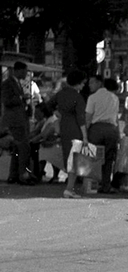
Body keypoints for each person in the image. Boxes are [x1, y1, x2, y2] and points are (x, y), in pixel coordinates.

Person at [54, 69, 89, 198]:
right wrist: (85, 136)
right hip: (75, 130)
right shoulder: (78, 97)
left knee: (67, 158)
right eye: (83, 83)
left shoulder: (60, 94)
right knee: (74, 160)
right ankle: (69, 188)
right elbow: (81, 118)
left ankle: (70, 188)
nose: (84, 85)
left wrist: (58, 114)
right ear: (78, 83)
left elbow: (46, 106)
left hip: (64, 128)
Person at [85, 76, 122, 193]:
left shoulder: (93, 97)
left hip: (96, 128)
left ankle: (91, 184)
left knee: (93, 156)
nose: (89, 85)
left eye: (91, 82)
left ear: (99, 83)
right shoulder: (115, 98)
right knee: (109, 158)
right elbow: (116, 118)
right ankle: (106, 184)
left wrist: (85, 132)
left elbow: (88, 117)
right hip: (112, 129)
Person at [1, 62, 36, 184]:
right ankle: (23, 175)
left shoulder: (17, 83)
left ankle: (14, 174)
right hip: (15, 120)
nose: (26, 74)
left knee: (17, 148)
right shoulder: (7, 84)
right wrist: (22, 98)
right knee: (23, 147)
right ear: (18, 70)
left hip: (18, 119)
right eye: (25, 71)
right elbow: (6, 100)